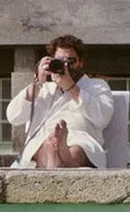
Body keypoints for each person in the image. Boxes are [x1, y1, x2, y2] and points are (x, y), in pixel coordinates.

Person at [6, 34, 115, 169]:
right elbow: (14, 117)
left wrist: (71, 87)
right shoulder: (43, 88)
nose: (65, 66)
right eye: (60, 61)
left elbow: (102, 118)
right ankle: (56, 151)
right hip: (44, 140)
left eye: (70, 61)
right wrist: (37, 83)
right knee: (43, 145)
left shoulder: (97, 86)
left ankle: (58, 153)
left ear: (81, 62)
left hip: (81, 140)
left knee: (77, 150)